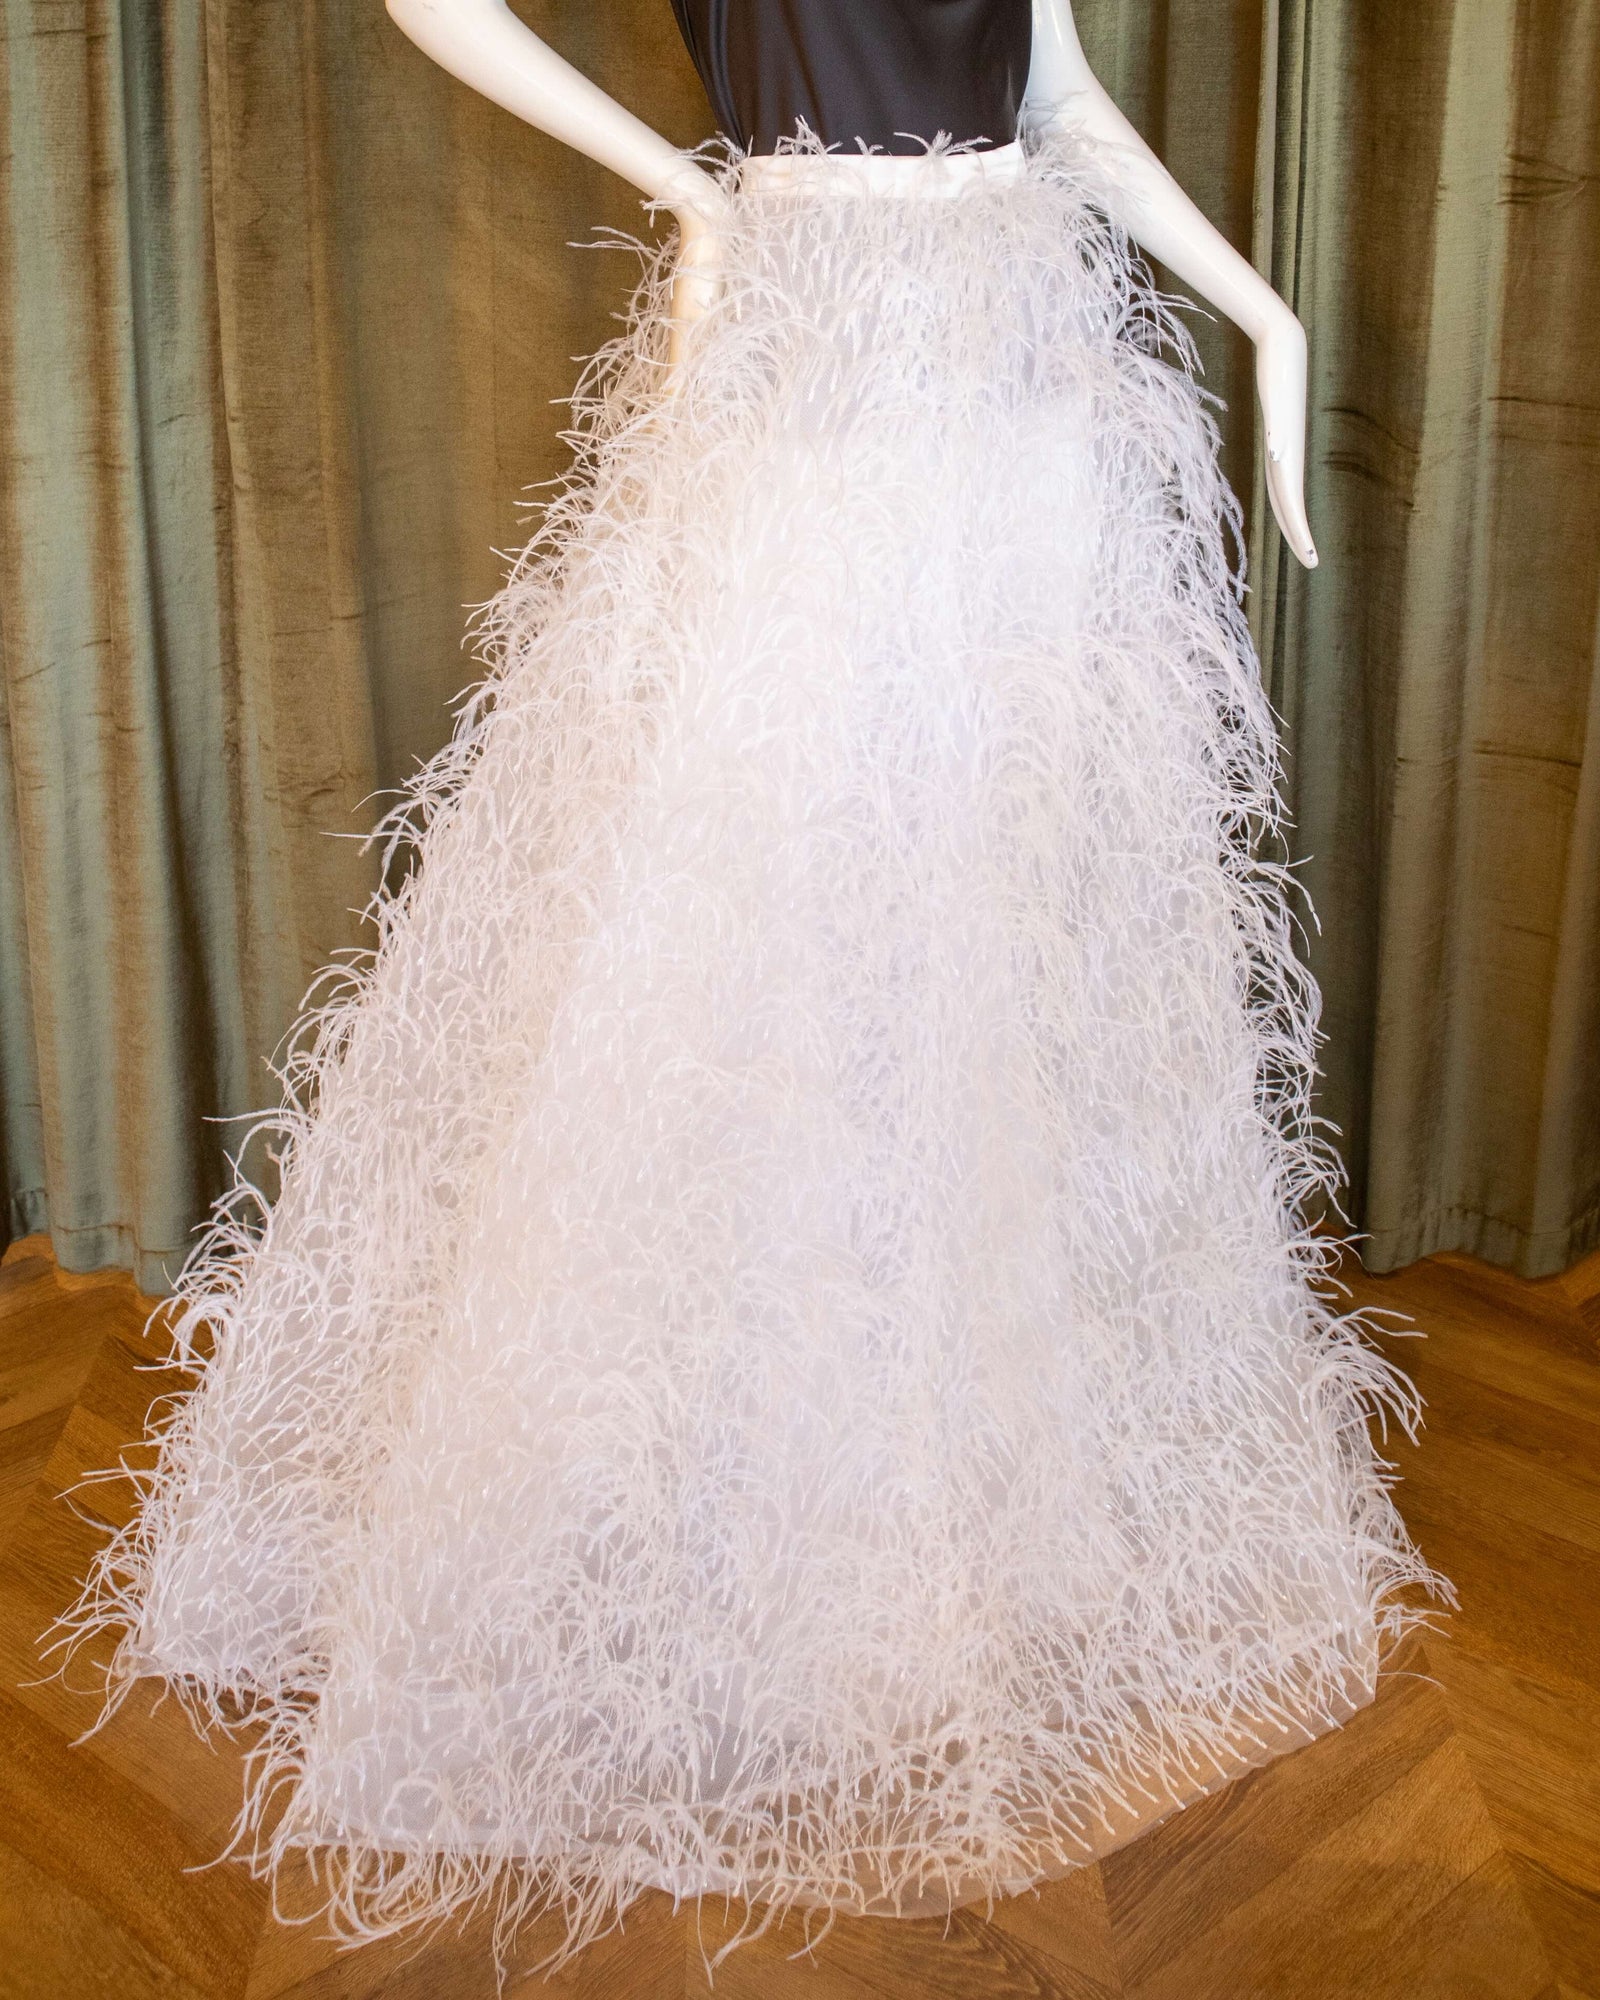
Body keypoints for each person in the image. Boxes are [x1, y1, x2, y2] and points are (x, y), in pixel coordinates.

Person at [64, 1, 1436, 1972]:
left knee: (989, 964)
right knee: (756, 943)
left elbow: (1041, 91)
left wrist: (1265, 316)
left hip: (1019, 388)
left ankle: (957, 1508)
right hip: (813, 372)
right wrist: (679, 203)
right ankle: (751, 1542)